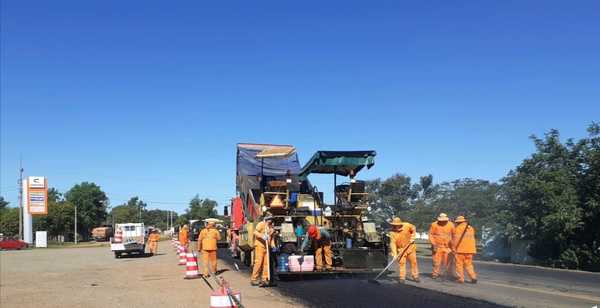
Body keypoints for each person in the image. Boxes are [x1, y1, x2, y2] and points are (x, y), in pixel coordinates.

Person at [389, 217, 420, 283]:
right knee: (402, 263)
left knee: (413, 262)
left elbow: (413, 228)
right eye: (394, 225)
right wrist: (394, 254)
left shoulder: (407, 225)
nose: (395, 226)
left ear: (400, 224)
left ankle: (415, 276)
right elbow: (392, 243)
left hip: (410, 248)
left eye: (396, 225)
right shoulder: (392, 232)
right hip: (401, 250)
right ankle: (402, 278)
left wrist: (412, 237)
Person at [451, 216, 477, 284]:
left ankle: (461, 279)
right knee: (469, 265)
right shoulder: (471, 228)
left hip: (460, 250)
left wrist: (453, 249)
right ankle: (473, 277)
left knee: (459, 265)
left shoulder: (457, 229)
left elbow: (454, 241)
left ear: (458, 222)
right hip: (470, 250)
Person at [251, 214, 275, 287]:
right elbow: (255, 232)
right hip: (259, 246)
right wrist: (262, 236)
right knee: (258, 262)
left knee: (266, 263)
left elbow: (271, 238)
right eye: (270, 219)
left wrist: (273, 246)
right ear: (267, 219)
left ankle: (265, 279)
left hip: (267, 247)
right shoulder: (261, 224)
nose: (271, 220)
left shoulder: (271, 227)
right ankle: (254, 279)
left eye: (272, 219)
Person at [429, 213, 454, 279]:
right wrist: (433, 244)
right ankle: (435, 274)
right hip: (437, 247)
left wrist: (453, 245)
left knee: (448, 262)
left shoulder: (451, 225)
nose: (443, 221)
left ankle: (448, 275)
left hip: (448, 247)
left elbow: (454, 235)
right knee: (436, 262)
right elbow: (431, 235)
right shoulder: (434, 224)